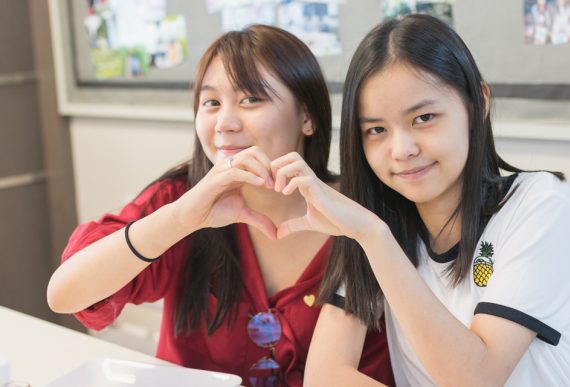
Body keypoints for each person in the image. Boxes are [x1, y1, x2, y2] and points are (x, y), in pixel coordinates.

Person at [250, 15, 570, 386]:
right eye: (377, 130)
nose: (402, 149)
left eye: (424, 117)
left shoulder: (538, 203)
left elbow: (475, 379)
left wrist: (374, 238)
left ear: (478, 103)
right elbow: (325, 376)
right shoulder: (379, 220)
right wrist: (373, 234)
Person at [46, 24, 394, 387]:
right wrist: (180, 219)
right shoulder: (180, 198)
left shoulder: (359, 213)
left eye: (251, 99)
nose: (224, 124)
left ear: (306, 116)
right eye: (211, 103)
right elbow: (65, 294)